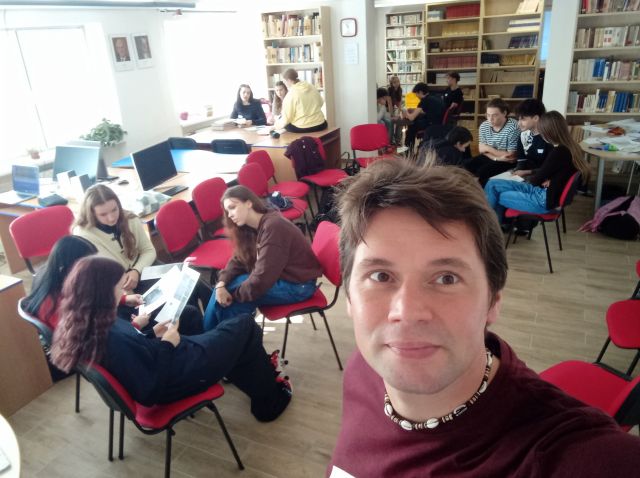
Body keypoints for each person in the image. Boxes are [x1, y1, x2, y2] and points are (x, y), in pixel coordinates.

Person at [327, 159, 640, 477]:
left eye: (446, 278)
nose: (406, 312)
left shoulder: (563, 455)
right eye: (380, 276)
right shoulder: (363, 370)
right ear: (349, 297)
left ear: (493, 301)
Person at [49, 256, 292, 421]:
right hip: (172, 380)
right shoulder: (110, 334)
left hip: (166, 362)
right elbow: (149, 390)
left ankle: (232, 367)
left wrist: (151, 333)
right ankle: (268, 402)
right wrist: (167, 344)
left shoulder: (90, 320)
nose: (122, 291)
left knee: (189, 314)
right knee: (245, 325)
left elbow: (134, 350)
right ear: (102, 290)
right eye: (118, 286)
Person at [203, 186, 321, 330]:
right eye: (227, 211)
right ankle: (221, 338)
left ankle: (209, 337)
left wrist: (232, 294)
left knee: (231, 298)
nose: (230, 215)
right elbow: (238, 259)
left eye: (233, 207)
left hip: (299, 286)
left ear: (249, 203)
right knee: (231, 302)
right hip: (283, 277)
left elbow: (262, 278)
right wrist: (221, 283)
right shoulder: (252, 226)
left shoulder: (274, 226)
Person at [484, 110, 590, 224]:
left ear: (549, 132)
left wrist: (544, 178)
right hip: (544, 193)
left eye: (542, 130)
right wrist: (551, 178)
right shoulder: (571, 148)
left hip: (542, 200)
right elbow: (560, 172)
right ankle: (496, 227)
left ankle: (489, 228)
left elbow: (536, 180)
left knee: (496, 194)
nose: (540, 134)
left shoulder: (558, 152)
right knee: (492, 184)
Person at [73, 184, 156, 293]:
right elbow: (101, 274)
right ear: (92, 214)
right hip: (116, 284)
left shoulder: (130, 218)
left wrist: (136, 271)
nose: (111, 218)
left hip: (142, 267)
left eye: (114, 210)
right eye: (103, 214)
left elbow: (149, 251)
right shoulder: (83, 235)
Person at [464, 98, 520, 186]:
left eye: (495, 115)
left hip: (507, 162)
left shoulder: (513, 127)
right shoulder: (484, 125)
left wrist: (487, 148)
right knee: (466, 166)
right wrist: (496, 158)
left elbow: (510, 156)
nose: (490, 119)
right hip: (494, 157)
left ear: (504, 113)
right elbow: (481, 150)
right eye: (488, 115)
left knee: (482, 172)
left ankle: (480, 193)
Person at [274, 68, 327, 133]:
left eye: (284, 81)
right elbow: (321, 103)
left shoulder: (291, 94)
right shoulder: (311, 86)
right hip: (321, 124)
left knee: (283, 121)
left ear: (289, 80)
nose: (284, 83)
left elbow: (287, 118)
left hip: (304, 127)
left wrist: (275, 126)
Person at [514, 98, 553, 173]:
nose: (519, 123)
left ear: (536, 118)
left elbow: (550, 168)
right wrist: (517, 171)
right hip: (526, 173)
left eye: (523, 119)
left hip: (543, 175)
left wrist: (527, 172)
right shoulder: (523, 135)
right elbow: (521, 160)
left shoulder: (549, 138)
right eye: (518, 119)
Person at [403, 82, 445, 149]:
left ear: (420, 92)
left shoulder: (424, 100)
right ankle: (408, 149)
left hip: (432, 125)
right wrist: (416, 110)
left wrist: (405, 111)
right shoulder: (434, 97)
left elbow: (411, 118)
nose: (416, 96)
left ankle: (408, 150)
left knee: (411, 125)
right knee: (417, 120)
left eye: (416, 94)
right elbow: (430, 111)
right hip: (439, 122)